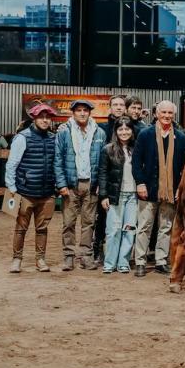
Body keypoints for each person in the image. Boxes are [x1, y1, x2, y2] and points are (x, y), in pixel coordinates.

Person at [132, 101, 185, 277]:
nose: (166, 115)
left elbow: (184, 166)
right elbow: (136, 161)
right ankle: (140, 261)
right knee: (144, 227)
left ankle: (160, 261)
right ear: (156, 113)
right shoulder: (145, 134)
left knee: (165, 227)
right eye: (163, 112)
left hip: (171, 190)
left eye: (170, 113)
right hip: (148, 189)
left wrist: (180, 187)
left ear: (174, 115)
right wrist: (140, 183)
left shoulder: (180, 137)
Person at [5, 104, 58, 273]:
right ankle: (16, 259)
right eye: (41, 117)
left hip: (47, 192)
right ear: (34, 118)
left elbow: (56, 163)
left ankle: (40, 259)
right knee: (21, 228)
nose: (45, 120)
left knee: (42, 229)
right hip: (25, 192)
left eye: (48, 117)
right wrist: (12, 187)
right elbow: (12, 164)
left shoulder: (53, 138)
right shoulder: (22, 137)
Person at [54, 100, 106, 271]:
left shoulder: (99, 133)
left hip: (91, 184)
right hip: (71, 185)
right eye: (79, 110)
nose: (82, 113)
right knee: (68, 222)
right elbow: (58, 159)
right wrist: (61, 184)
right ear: (73, 113)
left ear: (90, 112)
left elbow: (102, 162)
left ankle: (85, 256)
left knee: (88, 222)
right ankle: (68, 256)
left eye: (85, 110)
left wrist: (99, 183)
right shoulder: (64, 131)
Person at [98, 116, 138, 274]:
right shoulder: (108, 149)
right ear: (116, 131)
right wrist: (103, 195)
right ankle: (109, 263)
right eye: (120, 129)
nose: (124, 132)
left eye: (127, 129)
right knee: (113, 230)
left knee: (129, 230)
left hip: (133, 197)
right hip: (115, 196)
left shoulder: (136, 149)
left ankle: (123, 262)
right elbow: (102, 174)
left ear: (132, 131)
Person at [94, 94, 126, 264]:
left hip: (124, 181)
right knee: (102, 217)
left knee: (123, 219)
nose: (119, 107)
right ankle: (98, 248)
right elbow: (99, 159)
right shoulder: (101, 128)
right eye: (116, 105)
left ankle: (121, 252)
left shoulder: (130, 128)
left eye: (122, 104)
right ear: (110, 107)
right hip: (107, 180)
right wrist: (101, 183)